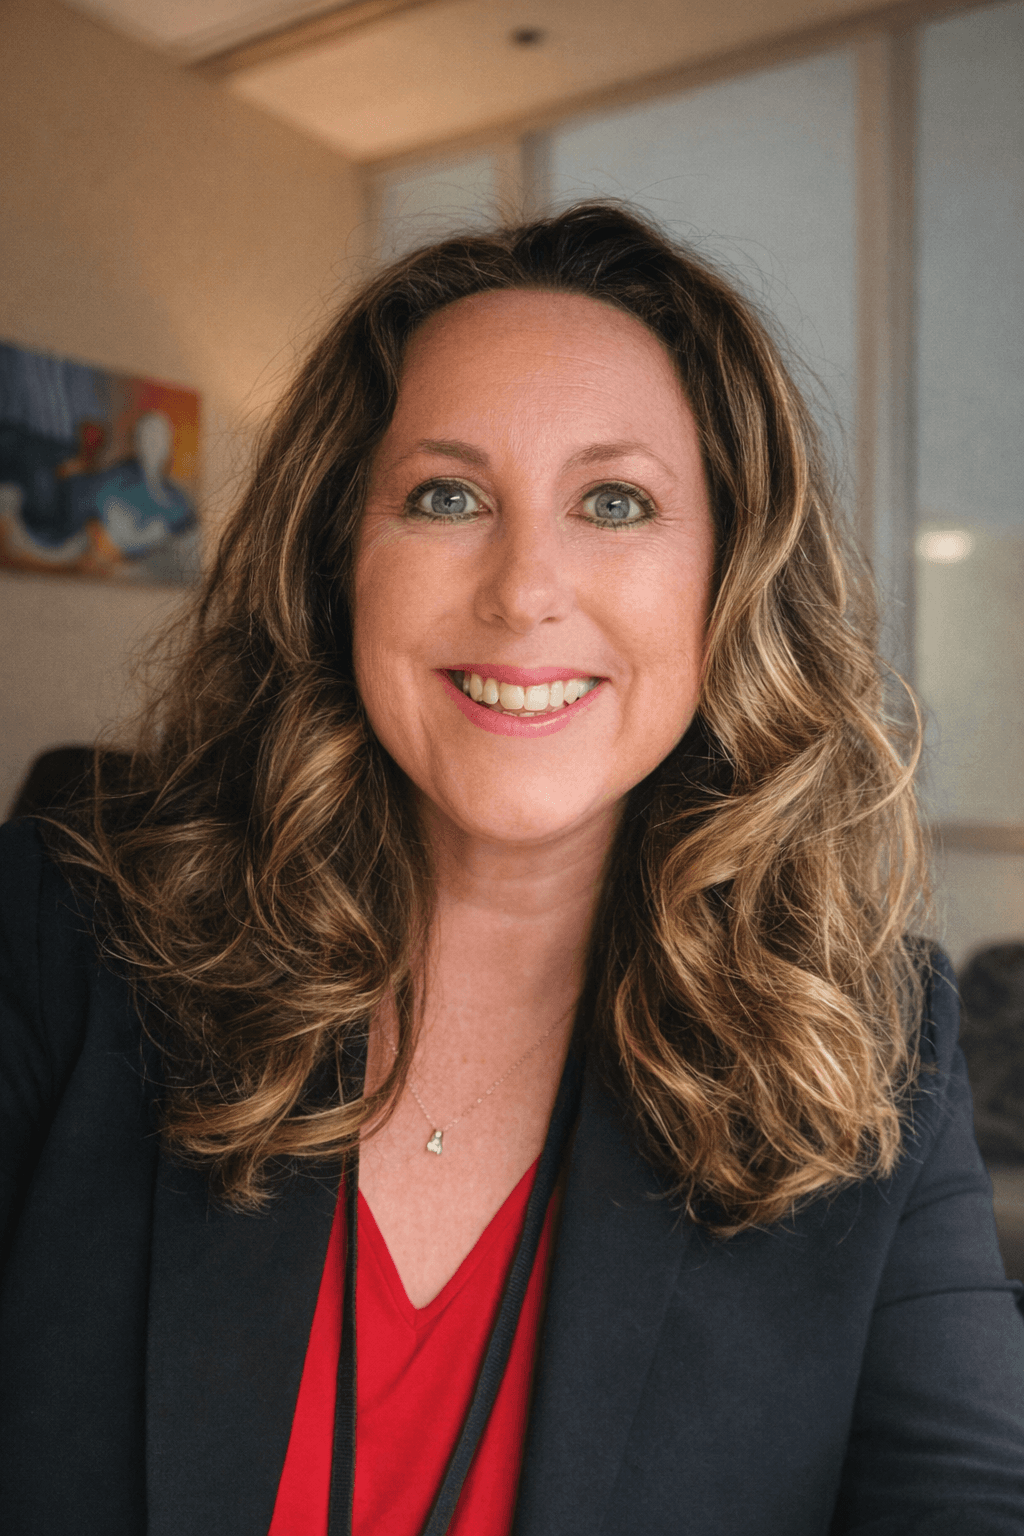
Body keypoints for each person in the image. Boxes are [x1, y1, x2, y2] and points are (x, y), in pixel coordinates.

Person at [1, 203, 1022, 1536]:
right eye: (446, 496)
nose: (525, 588)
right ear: (338, 564)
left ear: (726, 580)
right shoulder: (64, 929)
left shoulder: (876, 1041)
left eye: (616, 501)